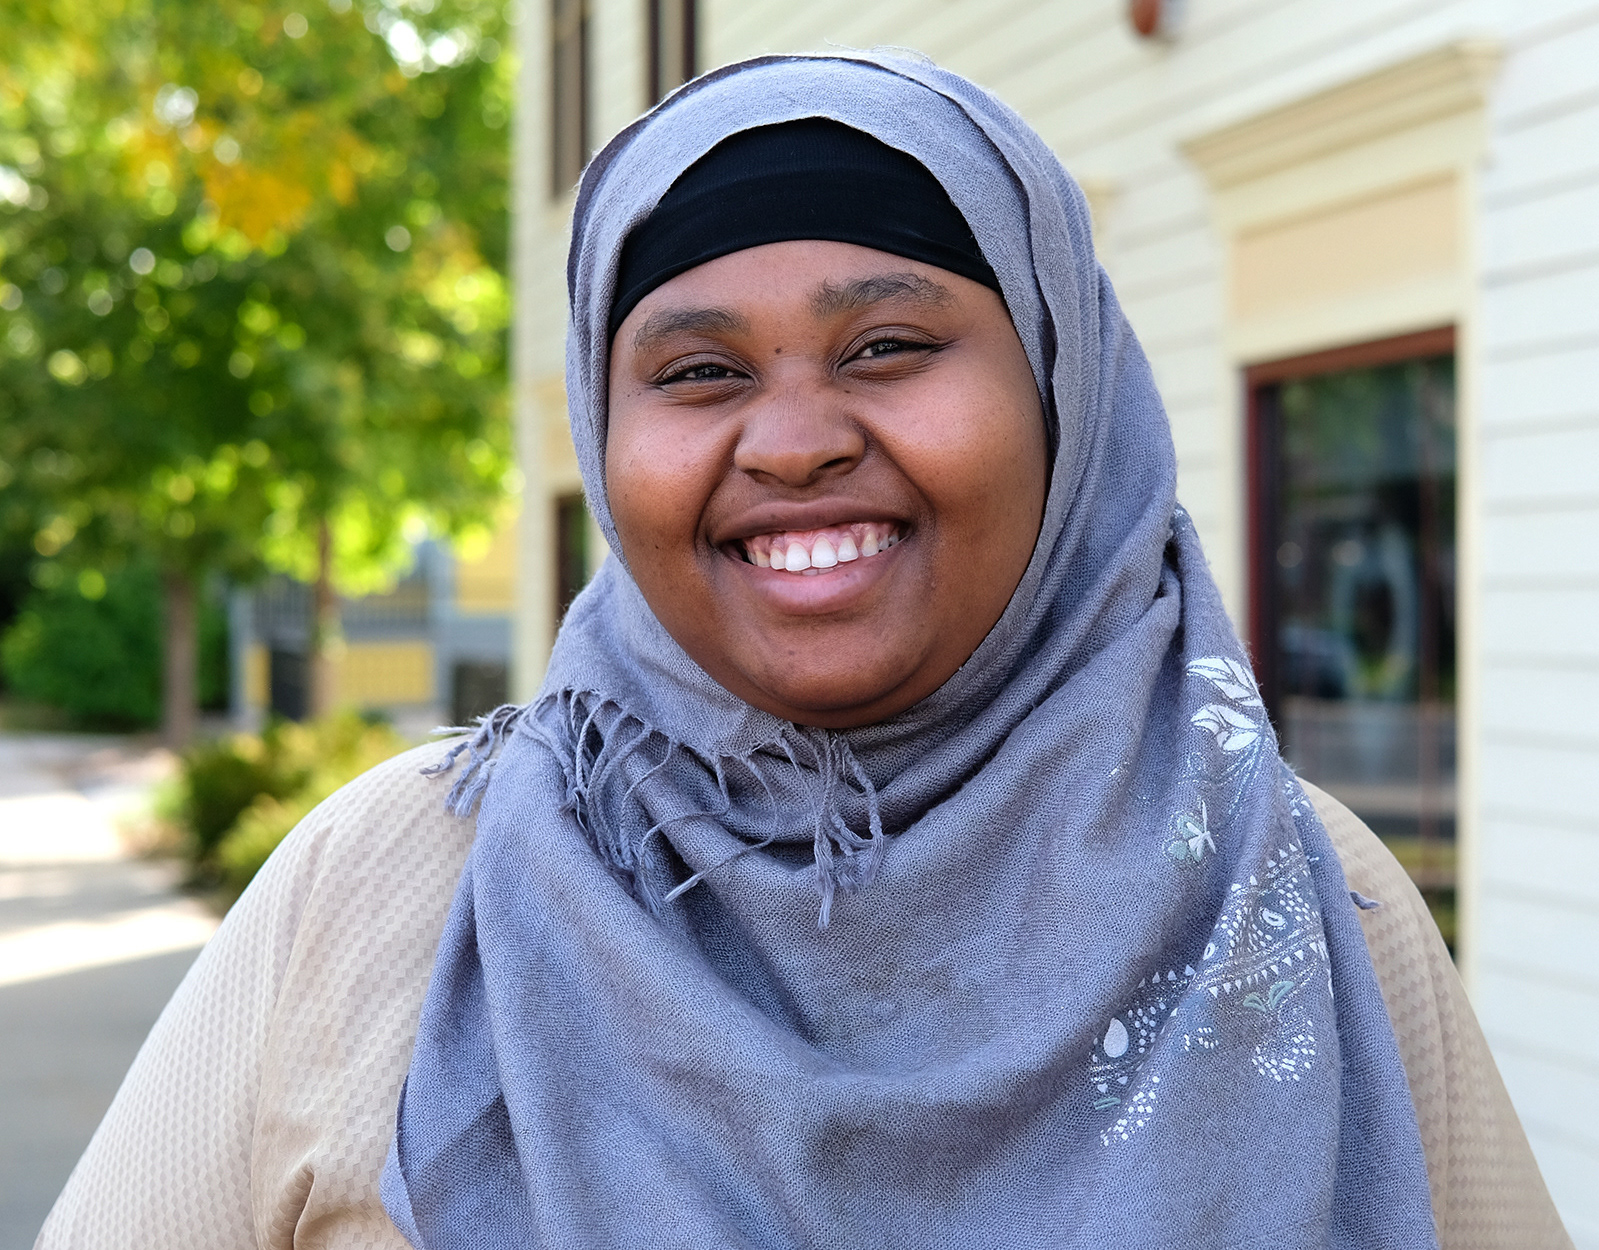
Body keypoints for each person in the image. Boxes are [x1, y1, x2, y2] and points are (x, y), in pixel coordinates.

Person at [38, 51, 1568, 1250]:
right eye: (698, 371)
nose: (791, 440)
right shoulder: (394, 888)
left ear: (1062, 394)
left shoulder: (1294, 894)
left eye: (887, 345)